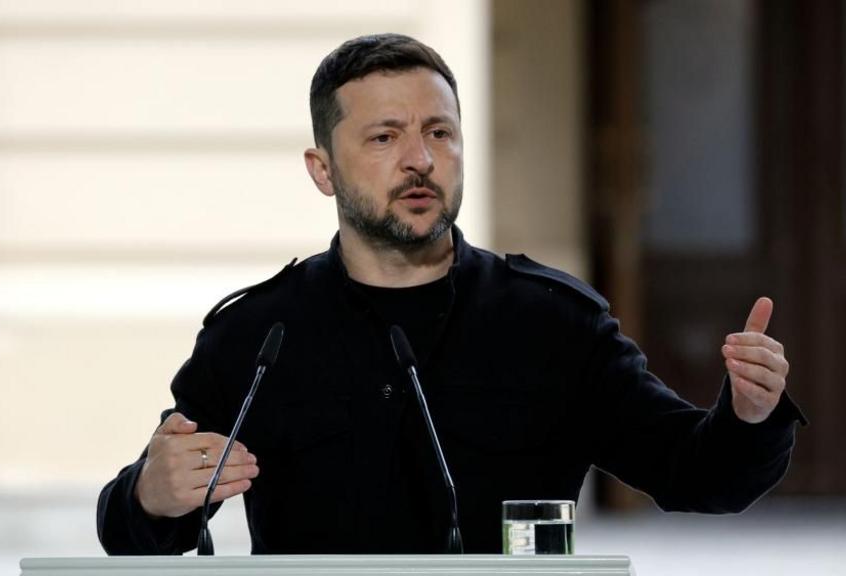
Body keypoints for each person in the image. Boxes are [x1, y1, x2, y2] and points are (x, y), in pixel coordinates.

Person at [97, 33, 805, 555]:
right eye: (384, 137)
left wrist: (749, 416)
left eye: (439, 132)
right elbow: (133, 528)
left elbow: (699, 476)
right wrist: (151, 497)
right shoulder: (259, 335)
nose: (420, 160)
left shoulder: (553, 323)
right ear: (323, 169)